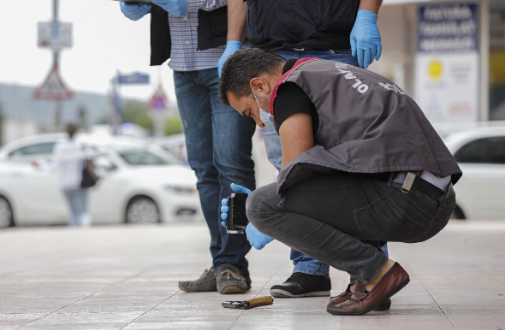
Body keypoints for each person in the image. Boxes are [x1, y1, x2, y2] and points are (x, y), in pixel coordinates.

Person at [219, 49, 462, 315]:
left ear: (260, 85)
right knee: (328, 181)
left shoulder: (289, 89)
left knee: (261, 205)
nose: (259, 122)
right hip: (434, 199)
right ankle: (367, 283)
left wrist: (257, 215)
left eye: (249, 112)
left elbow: (294, 171)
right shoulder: (326, 73)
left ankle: (377, 273)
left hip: (406, 202)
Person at [217, 0, 385, 299]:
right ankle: (309, 268)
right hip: (272, 49)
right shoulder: (262, 81)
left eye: (250, 113)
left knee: (354, 160)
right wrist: (233, 41)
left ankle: (370, 274)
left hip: (335, 44)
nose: (260, 123)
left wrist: (367, 15)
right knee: (287, 162)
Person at [119, 0, 257, 294]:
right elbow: (137, 11)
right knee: (204, 170)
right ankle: (221, 262)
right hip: (183, 68)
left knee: (232, 166)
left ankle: (233, 264)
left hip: (226, 61)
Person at [35, 124, 92, 227]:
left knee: (73, 210)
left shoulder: (61, 146)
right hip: (78, 182)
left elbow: (54, 166)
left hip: (65, 183)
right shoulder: (80, 144)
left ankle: (74, 230)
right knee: (80, 210)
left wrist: (40, 164)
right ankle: (78, 231)